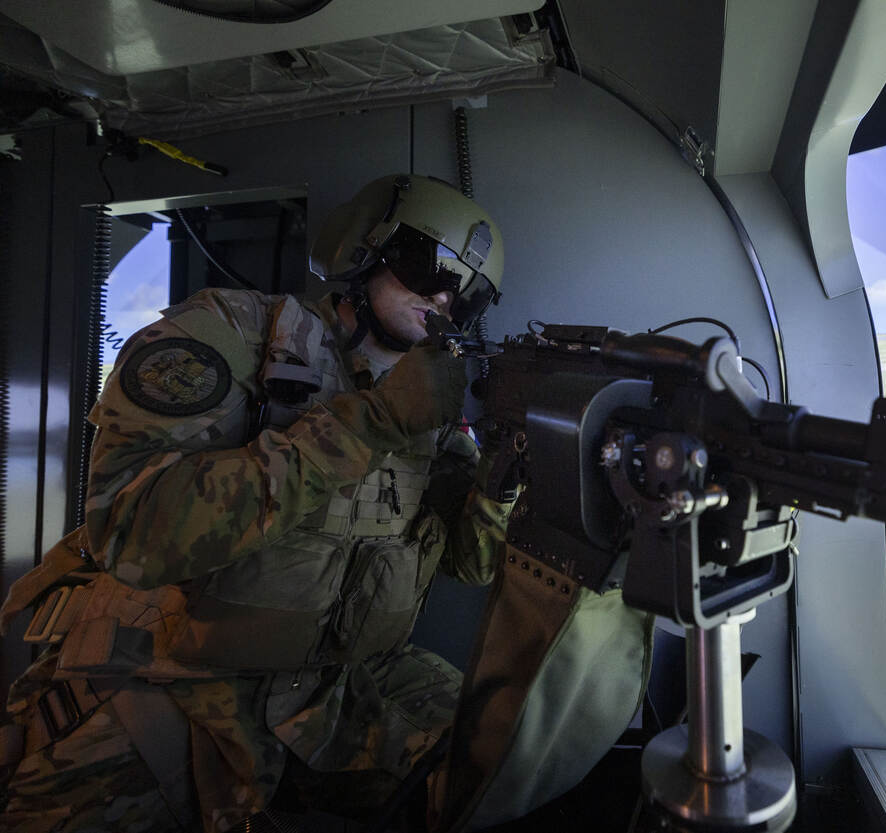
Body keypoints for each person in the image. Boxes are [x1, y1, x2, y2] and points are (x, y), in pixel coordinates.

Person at [0, 174, 514, 832]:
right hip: (168, 679)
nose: (443, 296)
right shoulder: (229, 335)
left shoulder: (433, 404)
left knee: (509, 767)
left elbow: (472, 562)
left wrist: (510, 470)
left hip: (334, 686)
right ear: (361, 248)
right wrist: (373, 422)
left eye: (468, 293)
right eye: (427, 265)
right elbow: (131, 534)